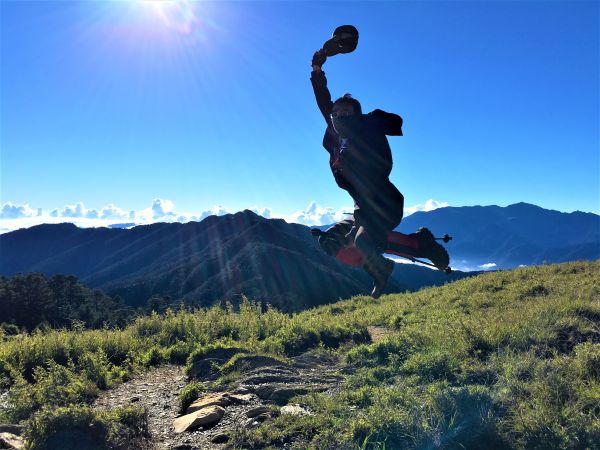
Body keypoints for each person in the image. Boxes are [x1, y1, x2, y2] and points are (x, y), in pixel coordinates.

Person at [310, 49, 449, 298]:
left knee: (364, 241)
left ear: (358, 115)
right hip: (363, 208)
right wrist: (317, 70)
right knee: (330, 242)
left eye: (346, 112)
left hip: (386, 204)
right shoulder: (337, 139)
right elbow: (324, 103)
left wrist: (368, 122)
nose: (339, 116)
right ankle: (420, 244)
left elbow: (385, 122)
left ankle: (383, 269)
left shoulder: (366, 129)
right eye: (336, 113)